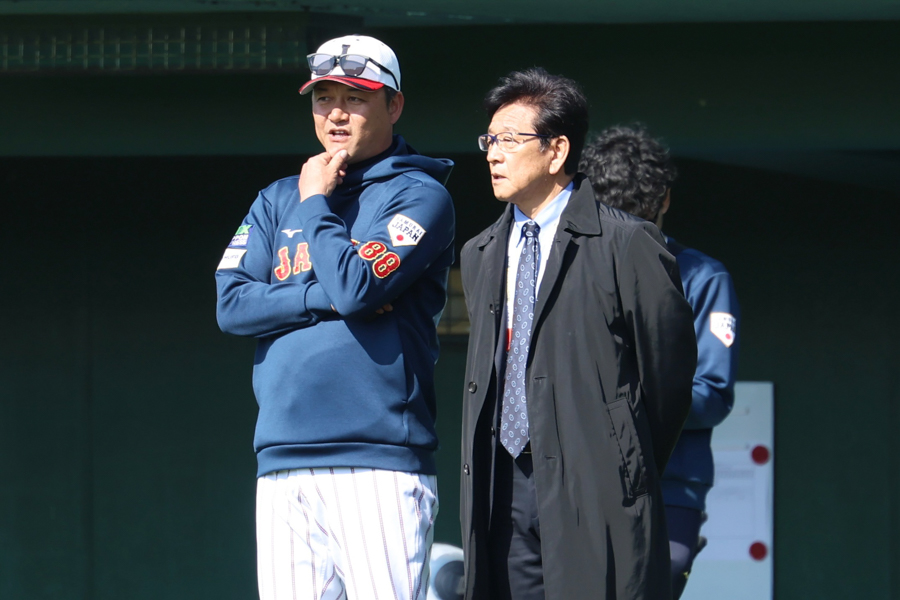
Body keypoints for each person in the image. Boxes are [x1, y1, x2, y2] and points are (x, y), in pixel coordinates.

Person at [215, 34, 455, 600]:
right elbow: (232, 305)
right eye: (324, 98)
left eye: (355, 98)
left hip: (377, 460)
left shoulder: (418, 194)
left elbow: (355, 286)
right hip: (282, 458)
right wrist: (315, 298)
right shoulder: (277, 198)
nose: (336, 114)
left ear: (394, 105)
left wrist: (316, 203)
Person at [459, 68, 697, 600]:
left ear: (557, 150)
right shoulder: (480, 253)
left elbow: (667, 382)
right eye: (489, 140)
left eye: (509, 140)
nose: (493, 154)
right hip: (503, 489)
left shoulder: (628, 244)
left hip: (596, 488)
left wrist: (620, 462)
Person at [580, 125, 740, 599]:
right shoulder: (568, 272)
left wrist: (622, 400)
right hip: (584, 479)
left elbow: (712, 395)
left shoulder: (702, 276)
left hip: (671, 485)